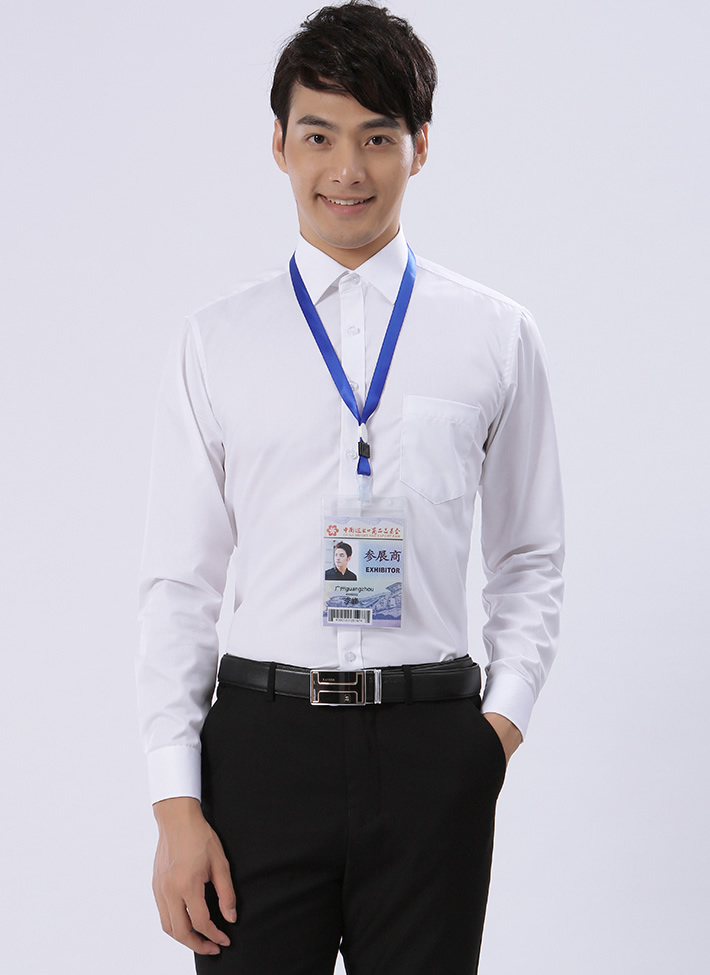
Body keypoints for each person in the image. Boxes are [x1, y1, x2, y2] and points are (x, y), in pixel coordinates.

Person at [137, 3, 564, 973]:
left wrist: (495, 732)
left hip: (432, 750)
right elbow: (179, 582)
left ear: (420, 146)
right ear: (278, 145)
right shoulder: (216, 342)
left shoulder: (495, 336)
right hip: (260, 752)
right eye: (319, 136)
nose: (347, 170)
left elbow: (530, 555)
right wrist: (175, 802)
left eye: (377, 137)